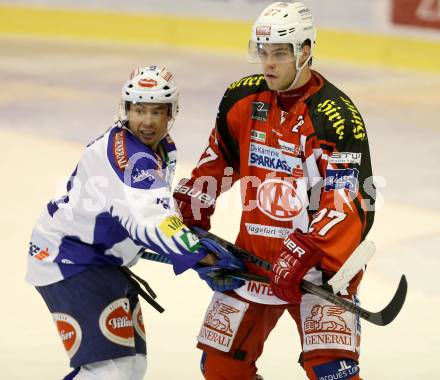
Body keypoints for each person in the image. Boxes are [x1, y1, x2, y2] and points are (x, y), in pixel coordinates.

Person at [173, 2, 375, 380]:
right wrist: (188, 217)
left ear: (306, 51)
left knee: (333, 371)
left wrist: (308, 250)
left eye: (280, 54)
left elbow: (349, 199)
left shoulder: (336, 116)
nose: (268, 64)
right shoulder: (241, 99)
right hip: (253, 261)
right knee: (220, 367)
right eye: (263, 53)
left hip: (321, 271)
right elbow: (217, 162)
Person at [26, 65, 245, 380]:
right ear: (125, 109)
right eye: (139, 109)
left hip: (99, 260)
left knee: (130, 367)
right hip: (69, 259)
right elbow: (150, 221)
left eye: (157, 111)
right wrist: (200, 256)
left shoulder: (161, 149)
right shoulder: (130, 156)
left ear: (171, 114)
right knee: (109, 372)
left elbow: (139, 217)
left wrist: (183, 241)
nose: (148, 121)